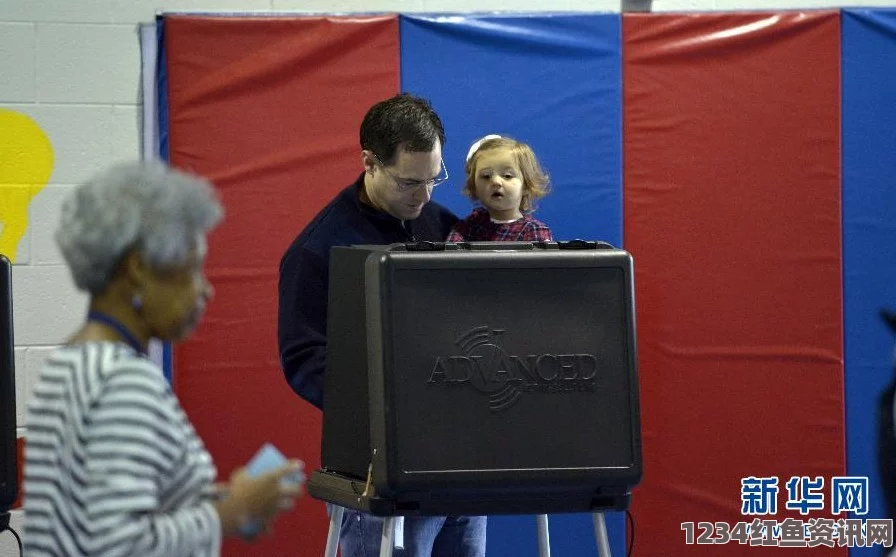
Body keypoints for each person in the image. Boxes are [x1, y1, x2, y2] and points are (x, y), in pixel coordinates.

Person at [24, 161, 302, 557]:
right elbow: (117, 546)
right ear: (138, 269)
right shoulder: (123, 381)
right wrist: (232, 513)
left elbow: (91, 514)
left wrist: (221, 500)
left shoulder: (70, 362)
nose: (206, 291)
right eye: (193, 271)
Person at [278, 93, 487, 556]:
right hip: (378, 468)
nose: (425, 195)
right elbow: (303, 360)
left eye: (435, 178)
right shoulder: (317, 251)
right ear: (369, 162)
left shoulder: (441, 224)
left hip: (460, 462)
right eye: (410, 182)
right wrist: (383, 407)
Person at [447, 134, 552, 242]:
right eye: (486, 176)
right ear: (474, 186)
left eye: (507, 176)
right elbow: (450, 255)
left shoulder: (533, 230)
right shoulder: (469, 226)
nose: (496, 182)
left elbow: (541, 259)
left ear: (526, 184)